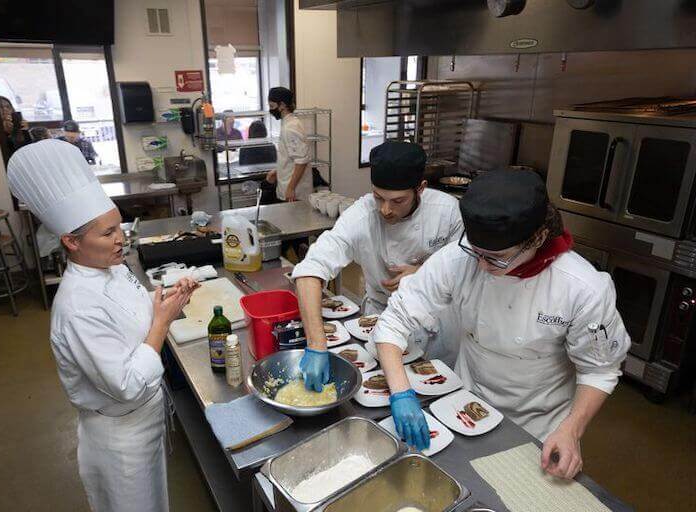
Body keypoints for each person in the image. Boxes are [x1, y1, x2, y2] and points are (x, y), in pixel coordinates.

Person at [372, 169, 631, 480]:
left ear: (537, 238)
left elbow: (599, 369)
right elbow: (395, 318)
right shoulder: (459, 259)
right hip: (463, 404)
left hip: (537, 427)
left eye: (497, 258)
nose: (481, 265)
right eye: (476, 252)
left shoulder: (582, 288)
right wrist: (401, 393)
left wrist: (572, 431)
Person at [7, 139, 199, 512]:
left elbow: (129, 314)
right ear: (71, 242)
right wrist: (161, 323)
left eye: (119, 227)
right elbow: (125, 385)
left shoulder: (112, 268)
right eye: (107, 233)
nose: (121, 239)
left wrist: (164, 302)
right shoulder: (77, 307)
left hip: (148, 416)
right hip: (120, 433)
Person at [293, 141, 464, 392]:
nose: (385, 209)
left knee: (436, 395)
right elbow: (311, 269)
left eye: (397, 201)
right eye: (378, 197)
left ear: (421, 188)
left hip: (437, 324)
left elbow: (464, 266)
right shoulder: (361, 215)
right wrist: (316, 344)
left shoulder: (447, 211)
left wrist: (422, 272)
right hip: (381, 319)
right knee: (380, 390)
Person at [266, 87, 312, 202]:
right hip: (289, 187)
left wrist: (290, 188)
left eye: (272, 106)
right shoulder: (289, 123)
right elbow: (291, 156)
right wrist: (278, 170)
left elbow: (301, 161)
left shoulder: (291, 127)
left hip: (295, 193)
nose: (271, 110)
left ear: (282, 105)